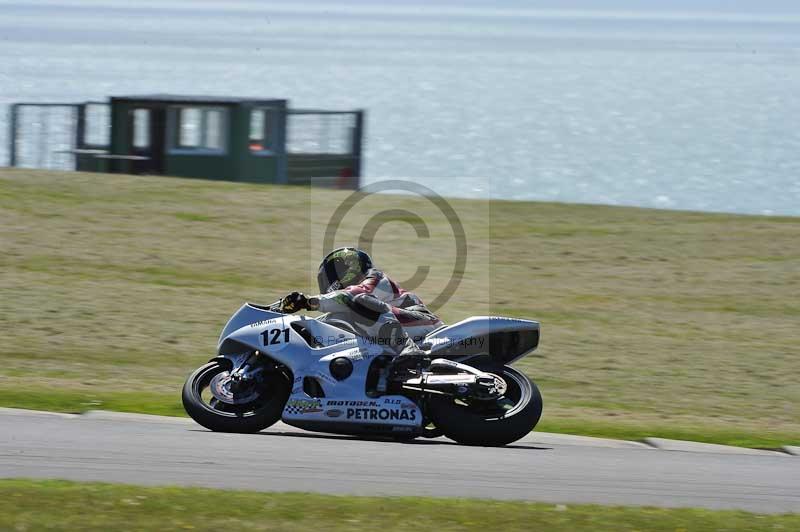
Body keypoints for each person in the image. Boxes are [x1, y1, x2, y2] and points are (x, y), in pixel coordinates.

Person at [280, 247, 443, 372]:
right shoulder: (347, 303)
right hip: (398, 326)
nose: (327, 283)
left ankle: (407, 349)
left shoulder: (374, 276)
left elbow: (355, 294)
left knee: (360, 302)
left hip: (423, 323)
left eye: (330, 276)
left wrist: (310, 302)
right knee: (327, 322)